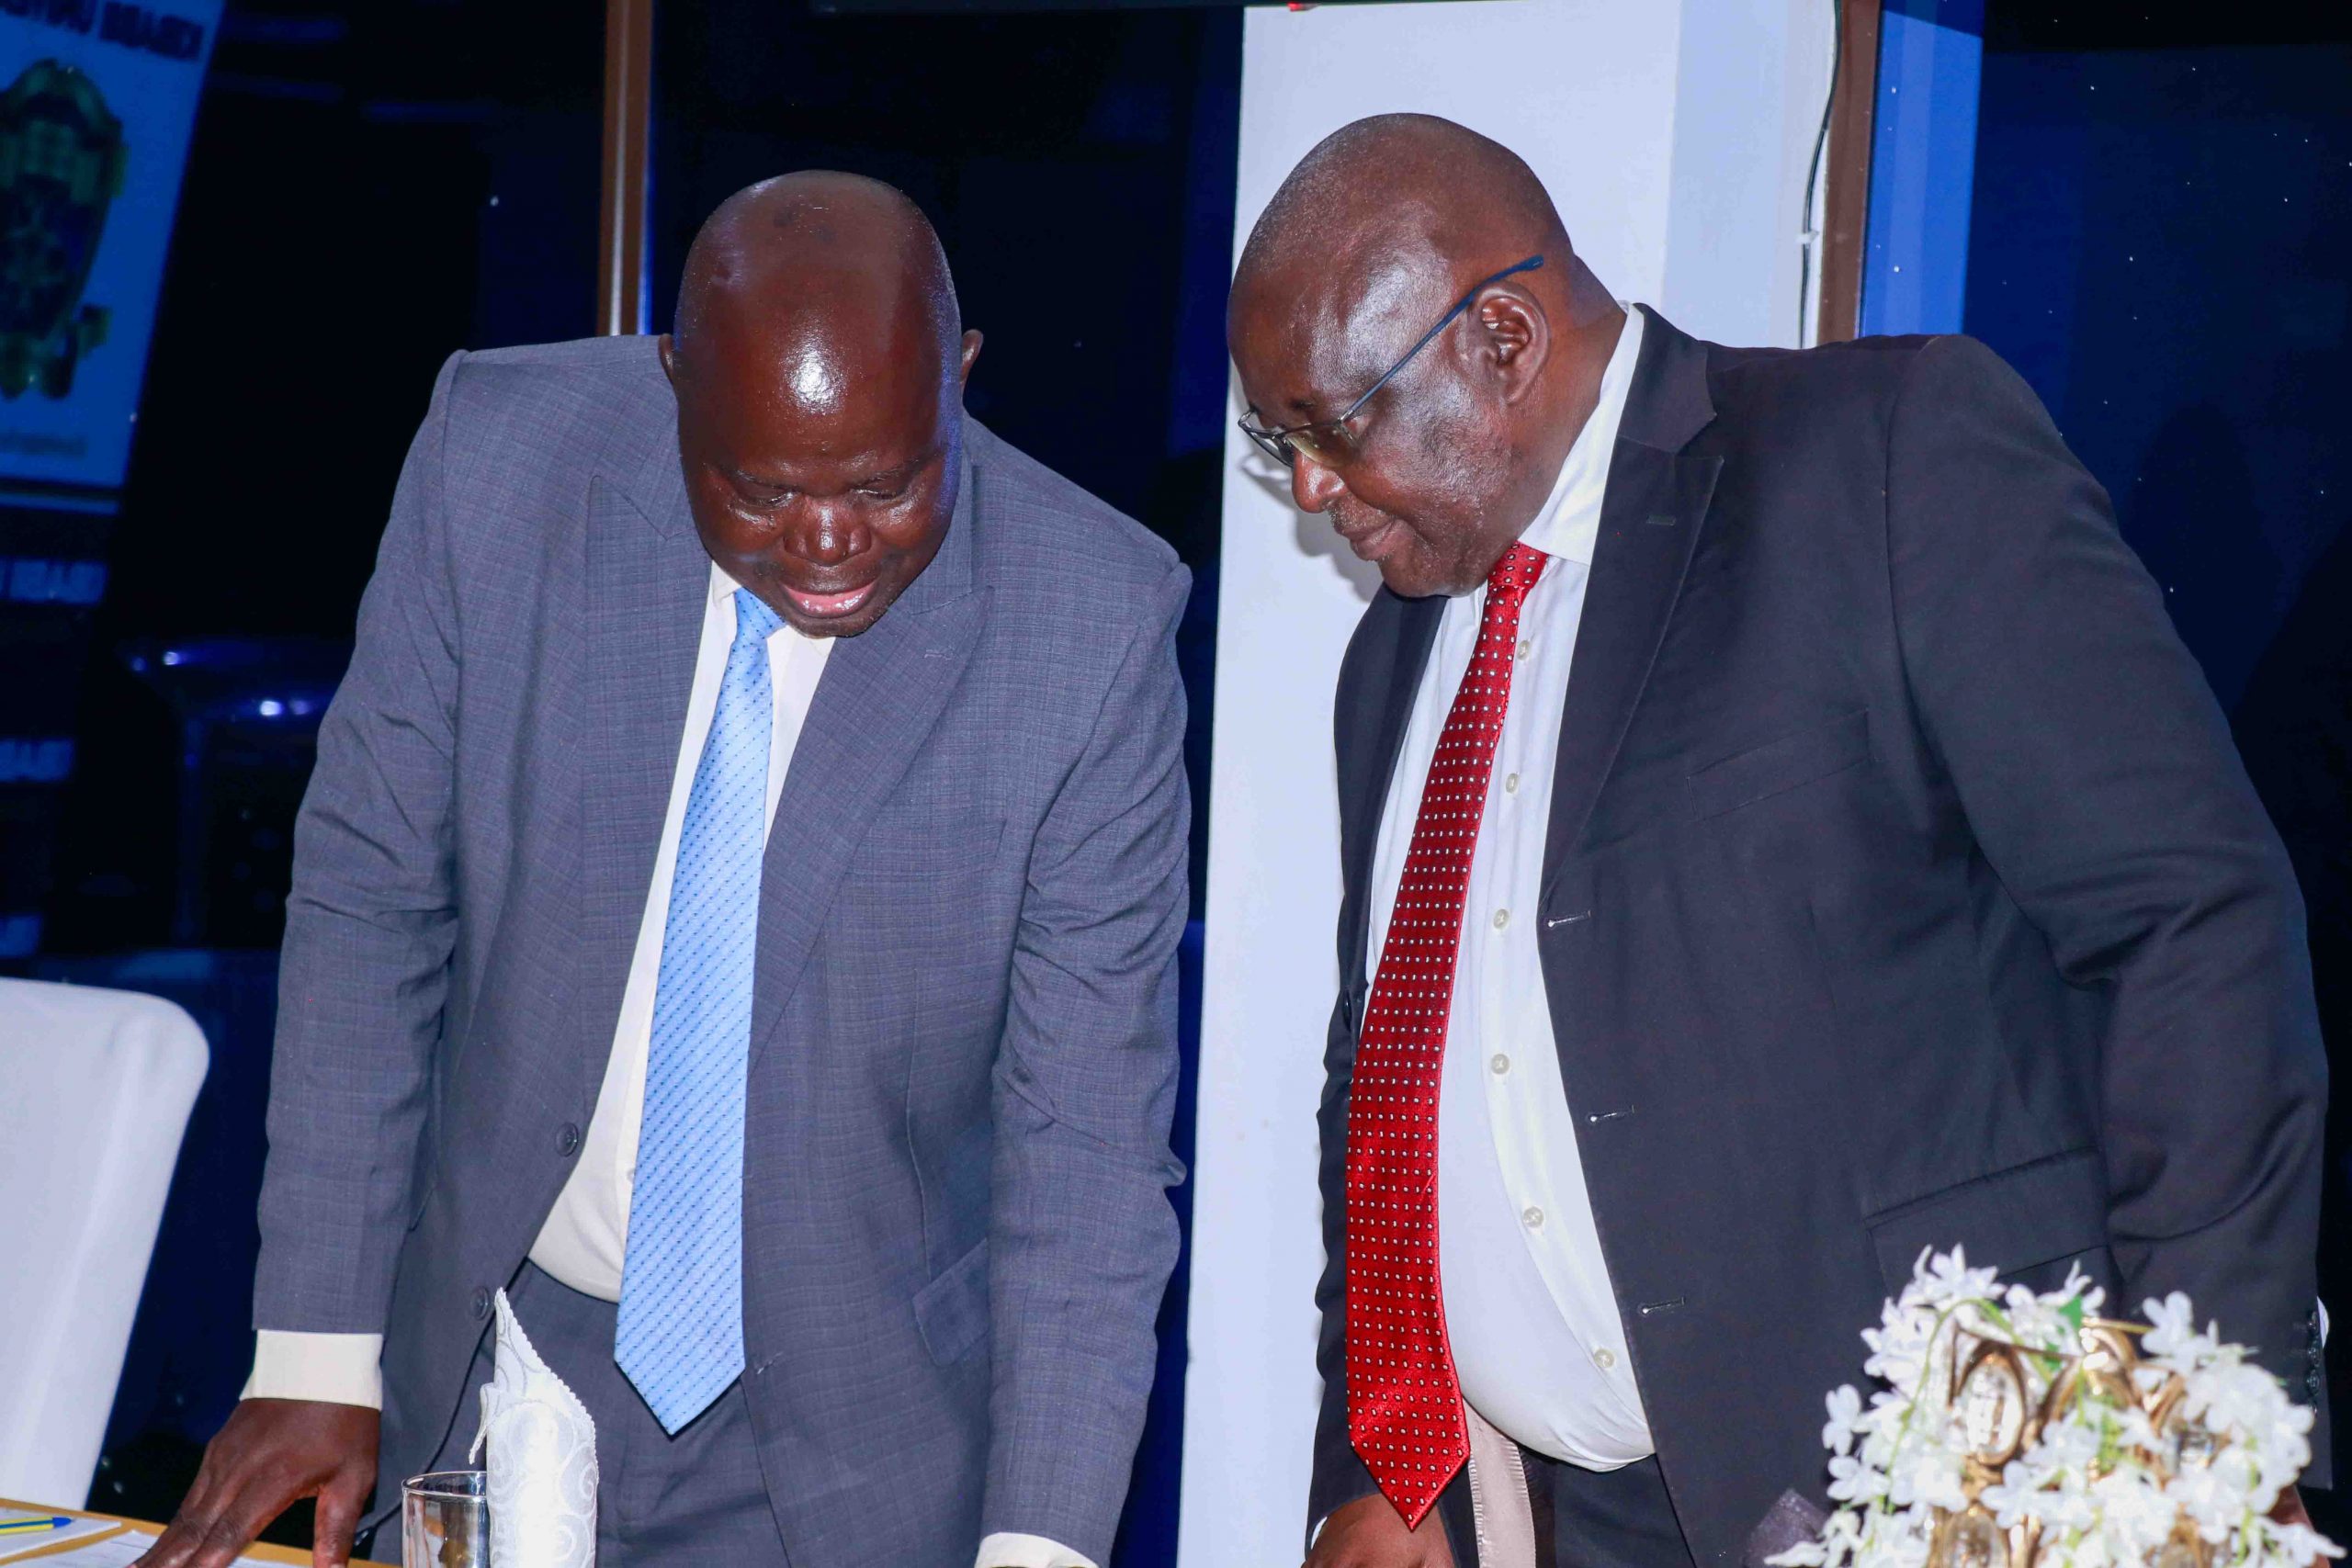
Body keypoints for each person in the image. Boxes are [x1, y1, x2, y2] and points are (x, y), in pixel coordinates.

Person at [1225, 115, 2329, 1568]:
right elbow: (1381, 1079)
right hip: (1573, 1518)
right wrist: (1376, 1459)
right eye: (1279, 441)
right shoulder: (1399, 654)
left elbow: (2188, 922)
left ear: (1503, 339)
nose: (1311, 487)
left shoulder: (1881, 455)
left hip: (1957, 1483)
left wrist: (2206, 1432)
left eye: (1331, 426)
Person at [137, 173, 1191, 1568]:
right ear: (675, 384)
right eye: (762, 489)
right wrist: (317, 1353)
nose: (828, 543)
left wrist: (1039, 1547)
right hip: (491, 1366)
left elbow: (1086, 1146)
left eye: (887, 484)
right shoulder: (499, 465)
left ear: (962, 376)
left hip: (851, 1444)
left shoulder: (1090, 622)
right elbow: (371, 904)